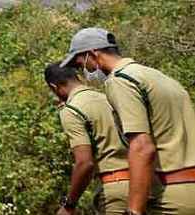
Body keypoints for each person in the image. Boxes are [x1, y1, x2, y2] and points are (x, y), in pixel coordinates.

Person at [62, 27, 195, 215]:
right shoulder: (161, 78)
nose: (84, 72)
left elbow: (142, 147)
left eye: (80, 65)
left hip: (170, 198)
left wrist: (134, 210)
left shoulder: (122, 80)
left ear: (92, 54)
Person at [43, 63, 130, 214]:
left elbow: (85, 163)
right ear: (77, 76)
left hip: (115, 190)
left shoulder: (72, 110)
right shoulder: (107, 98)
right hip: (144, 182)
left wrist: (69, 205)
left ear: (54, 87)